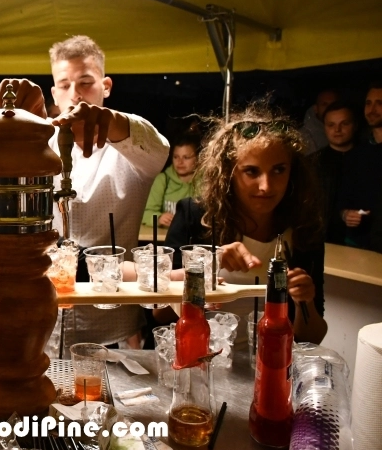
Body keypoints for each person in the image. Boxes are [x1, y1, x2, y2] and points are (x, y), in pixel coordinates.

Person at [2, 35, 169, 350]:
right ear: (54, 93)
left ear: (106, 86)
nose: (75, 94)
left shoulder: (129, 151)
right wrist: (16, 124)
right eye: (64, 85)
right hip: (43, 322)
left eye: (86, 83)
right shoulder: (38, 145)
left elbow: (158, 148)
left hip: (113, 326)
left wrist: (110, 121)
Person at [164, 105, 328, 344]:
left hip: (270, 360)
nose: (266, 186)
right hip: (201, 357)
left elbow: (313, 337)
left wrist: (305, 301)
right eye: (251, 171)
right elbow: (159, 314)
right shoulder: (194, 215)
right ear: (228, 173)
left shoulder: (304, 228)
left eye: (279, 170)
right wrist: (209, 263)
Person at [340, 81, 382, 251]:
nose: (372, 110)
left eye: (380, 103)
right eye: (368, 103)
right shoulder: (357, 153)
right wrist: (345, 214)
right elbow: (344, 198)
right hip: (358, 244)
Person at [312, 102, 357, 244]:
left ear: (355, 125)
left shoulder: (369, 159)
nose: (337, 130)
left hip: (361, 239)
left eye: (344, 124)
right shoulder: (312, 163)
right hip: (323, 238)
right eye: (331, 125)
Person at [142, 135, 200, 227]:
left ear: (198, 158)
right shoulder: (163, 180)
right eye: (176, 157)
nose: (180, 162)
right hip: (167, 235)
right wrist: (159, 218)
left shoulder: (206, 181)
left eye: (186, 157)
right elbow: (146, 213)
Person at [300, 89, 339, 154]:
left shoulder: (347, 129)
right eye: (324, 104)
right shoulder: (304, 136)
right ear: (316, 108)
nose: (330, 108)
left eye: (334, 104)